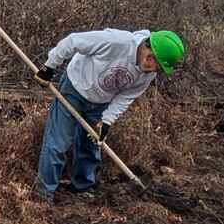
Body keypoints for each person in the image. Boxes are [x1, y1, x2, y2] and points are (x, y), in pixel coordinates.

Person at [33, 28, 185, 200]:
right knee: (58, 143)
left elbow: (126, 97)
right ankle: (44, 194)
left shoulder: (149, 74)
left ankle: (82, 188)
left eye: (158, 67)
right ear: (149, 53)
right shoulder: (116, 42)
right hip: (74, 88)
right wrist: (50, 66)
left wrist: (106, 121)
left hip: (101, 103)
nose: (153, 69)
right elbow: (73, 41)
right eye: (155, 63)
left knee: (90, 146)